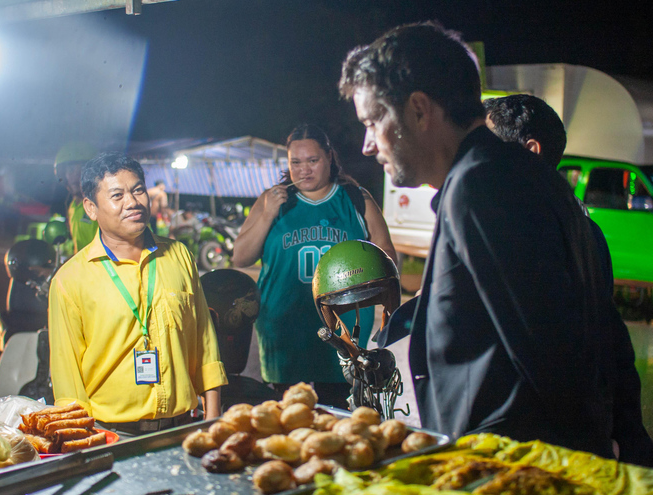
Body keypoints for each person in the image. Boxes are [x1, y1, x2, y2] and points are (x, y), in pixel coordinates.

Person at [339, 22, 618, 458]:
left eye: (373, 122)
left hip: (514, 471)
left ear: (418, 110)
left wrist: (593, 462)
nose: (367, 145)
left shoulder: (484, 186)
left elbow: (552, 351)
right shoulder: (509, 173)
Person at [484, 94, 653, 466]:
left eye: (490, 145)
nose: (479, 160)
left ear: (531, 150)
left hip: (554, 444)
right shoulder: (577, 225)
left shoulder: (545, 231)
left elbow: (577, 343)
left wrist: (605, 435)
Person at [48, 152, 227, 435]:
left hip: (182, 428)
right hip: (111, 435)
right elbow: (67, 378)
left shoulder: (179, 256)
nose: (132, 202)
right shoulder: (70, 280)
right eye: (117, 195)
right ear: (91, 208)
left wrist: (213, 419)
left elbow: (204, 340)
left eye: (138, 190)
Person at [232, 124, 397, 409]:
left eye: (312, 160)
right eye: (295, 162)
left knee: (339, 418)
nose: (303, 169)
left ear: (329, 157)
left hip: (342, 330)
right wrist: (267, 214)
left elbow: (386, 258)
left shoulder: (356, 199)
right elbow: (241, 257)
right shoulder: (273, 200)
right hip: (284, 328)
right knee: (287, 419)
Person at [54, 142, 99, 254]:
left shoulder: (98, 207)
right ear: (64, 175)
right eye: (71, 170)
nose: (76, 175)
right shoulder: (72, 206)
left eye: (83, 170)